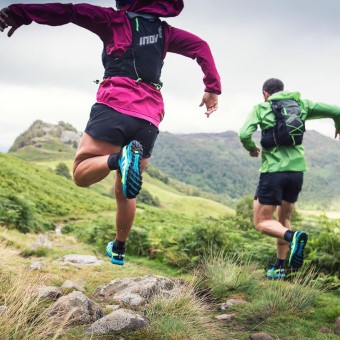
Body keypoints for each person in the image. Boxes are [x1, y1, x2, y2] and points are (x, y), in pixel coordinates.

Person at [0, 0, 221, 265]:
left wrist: (20, 13)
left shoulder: (113, 20)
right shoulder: (166, 32)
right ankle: (118, 248)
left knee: (81, 173)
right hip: (148, 119)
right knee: (126, 191)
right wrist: (212, 87)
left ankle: (120, 159)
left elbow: (69, 11)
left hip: (114, 106)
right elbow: (201, 47)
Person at [239, 78, 340, 279]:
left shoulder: (261, 108)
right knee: (283, 219)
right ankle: (280, 268)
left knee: (262, 222)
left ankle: (293, 237)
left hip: (273, 172)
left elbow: (244, 134)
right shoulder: (301, 105)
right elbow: (336, 110)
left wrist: (252, 149)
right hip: (297, 172)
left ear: (265, 94)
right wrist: (338, 126)